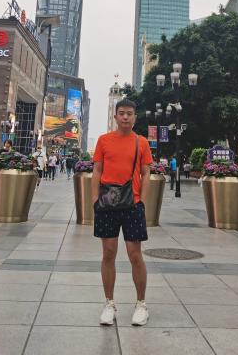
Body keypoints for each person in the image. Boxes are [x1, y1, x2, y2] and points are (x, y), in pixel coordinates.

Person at [92, 98, 152, 327]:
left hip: (132, 205)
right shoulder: (104, 140)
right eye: (122, 113)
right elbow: (97, 170)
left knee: (135, 254)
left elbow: (146, 173)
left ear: (135, 117)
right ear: (116, 116)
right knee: (108, 253)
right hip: (107, 204)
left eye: (130, 113)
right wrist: (95, 200)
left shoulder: (141, 142)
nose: (126, 117)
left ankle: (141, 304)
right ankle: (109, 304)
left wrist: (142, 201)